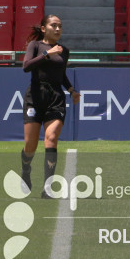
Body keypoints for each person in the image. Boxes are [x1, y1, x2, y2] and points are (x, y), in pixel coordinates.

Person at [20, 14, 80, 198]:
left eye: (60, 26)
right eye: (53, 25)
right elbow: (26, 66)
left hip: (56, 97)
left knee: (51, 138)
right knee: (30, 145)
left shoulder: (64, 50)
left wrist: (70, 89)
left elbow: (60, 74)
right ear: (44, 28)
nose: (58, 29)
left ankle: (48, 187)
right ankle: (26, 171)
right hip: (36, 96)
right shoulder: (36, 46)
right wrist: (47, 54)